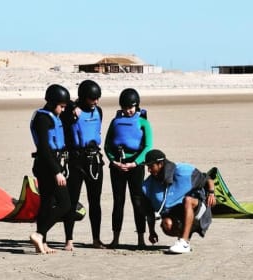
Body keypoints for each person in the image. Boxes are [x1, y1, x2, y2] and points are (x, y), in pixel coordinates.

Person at [104, 88, 153, 248]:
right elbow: (107, 145)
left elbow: (147, 146)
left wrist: (136, 163)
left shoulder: (143, 122)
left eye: (131, 107)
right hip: (117, 164)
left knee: (137, 201)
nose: (128, 110)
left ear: (137, 105)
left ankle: (141, 240)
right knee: (118, 202)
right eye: (125, 107)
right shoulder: (115, 121)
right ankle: (115, 239)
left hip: (135, 165)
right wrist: (113, 161)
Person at [141, 149, 216, 254]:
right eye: (147, 167)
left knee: (187, 200)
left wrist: (211, 193)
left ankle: (184, 242)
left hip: (199, 212)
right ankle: (185, 239)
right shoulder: (147, 186)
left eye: (151, 166)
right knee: (166, 224)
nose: (149, 170)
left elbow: (208, 178)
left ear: (160, 164)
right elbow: (149, 212)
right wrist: (152, 231)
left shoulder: (184, 172)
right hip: (179, 217)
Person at [60, 79, 105, 250]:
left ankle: (96, 239)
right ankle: (69, 240)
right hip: (76, 160)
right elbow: (63, 107)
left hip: (94, 161)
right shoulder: (70, 112)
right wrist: (72, 108)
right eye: (92, 99)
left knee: (95, 202)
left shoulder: (98, 111)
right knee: (72, 201)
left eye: (97, 98)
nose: (96, 102)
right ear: (83, 97)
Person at [29, 84, 72, 254]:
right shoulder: (43, 119)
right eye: (61, 106)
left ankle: (43, 243)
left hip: (50, 164)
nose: (63, 110)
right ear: (53, 103)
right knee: (65, 204)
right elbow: (45, 149)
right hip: (47, 166)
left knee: (46, 203)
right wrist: (57, 171)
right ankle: (39, 234)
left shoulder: (49, 114)